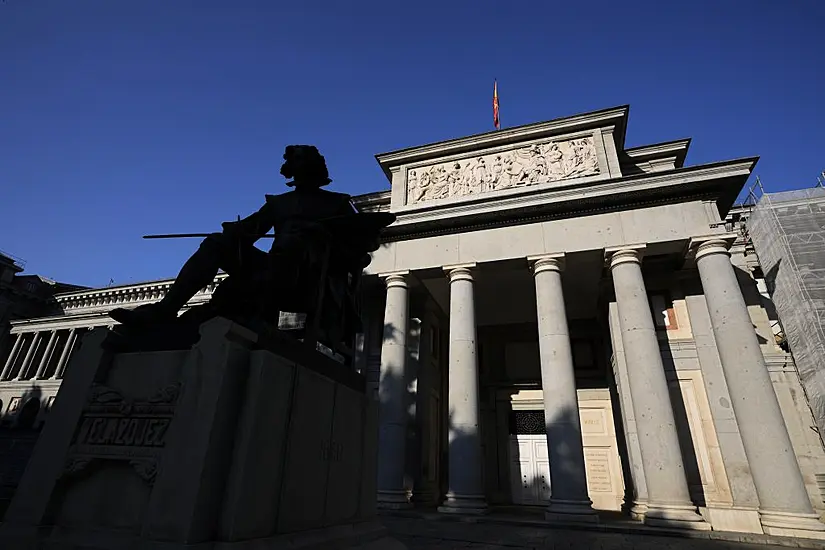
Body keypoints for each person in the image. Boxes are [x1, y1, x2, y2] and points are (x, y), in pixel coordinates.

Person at [109, 145, 361, 328]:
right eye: (294, 162)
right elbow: (250, 232)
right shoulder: (279, 204)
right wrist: (235, 232)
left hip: (311, 277)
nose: (297, 167)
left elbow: (362, 251)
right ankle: (166, 309)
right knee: (217, 242)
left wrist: (323, 239)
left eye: (301, 161)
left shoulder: (337, 203)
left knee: (283, 258)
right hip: (274, 267)